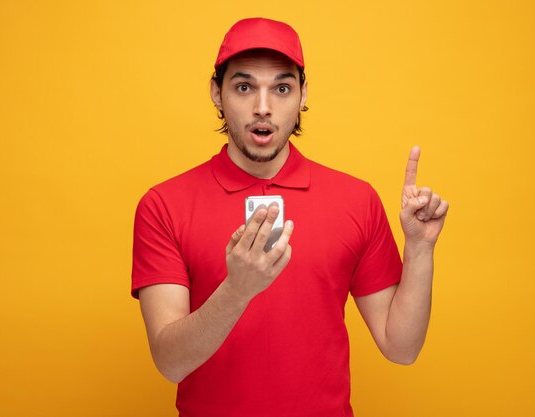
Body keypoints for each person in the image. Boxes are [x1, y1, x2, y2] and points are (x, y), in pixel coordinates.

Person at [131, 17, 448, 417]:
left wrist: (420, 248)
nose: (263, 108)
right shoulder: (164, 205)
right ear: (217, 92)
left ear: (302, 95)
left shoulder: (356, 200)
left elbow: (401, 348)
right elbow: (170, 362)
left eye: (281, 88)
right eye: (244, 87)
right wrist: (238, 290)